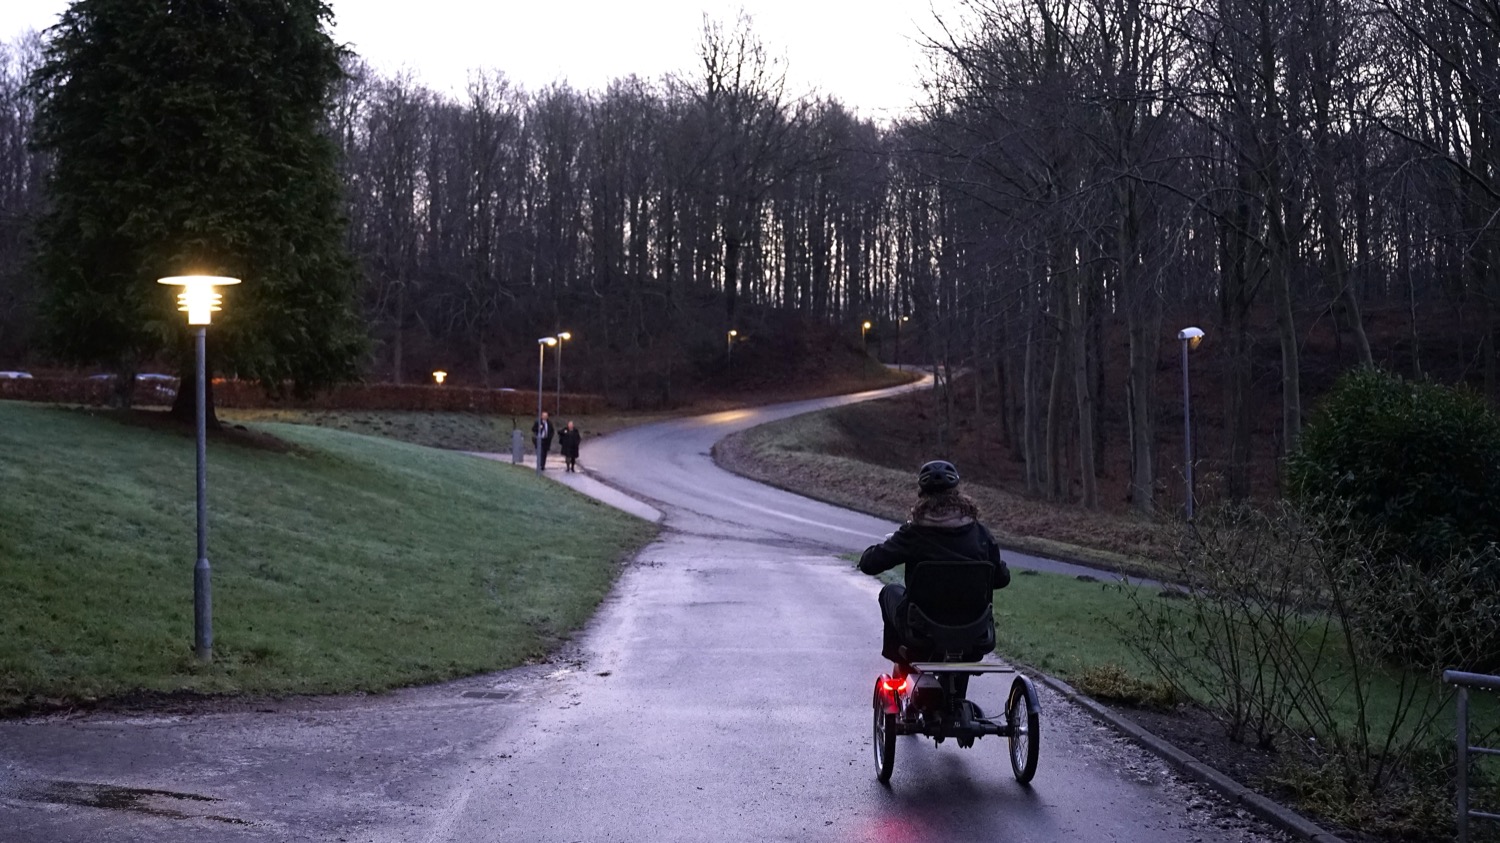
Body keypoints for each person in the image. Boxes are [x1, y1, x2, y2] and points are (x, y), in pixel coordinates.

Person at [858, 460, 1010, 677]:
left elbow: (869, 564)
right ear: (957, 492)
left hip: (922, 629)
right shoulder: (980, 533)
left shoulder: (913, 533)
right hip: (973, 631)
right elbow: (1001, 578)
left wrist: (886, 545)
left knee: (889, 592)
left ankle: (903, 658)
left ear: (922, 494)